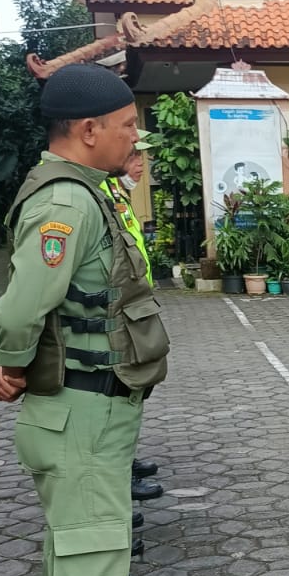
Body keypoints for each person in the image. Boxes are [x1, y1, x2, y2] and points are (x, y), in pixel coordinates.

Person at [0, 62, 171, 576]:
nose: (133, 138)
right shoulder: (66, 202)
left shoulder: (85, 192)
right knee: (89, 562)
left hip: (92, 407)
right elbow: (27, 303)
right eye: (125, 127)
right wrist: (9, 363)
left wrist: (14, 362)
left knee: (85, 554)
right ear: (88, 131)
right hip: (79, 411)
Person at [106, 138, 165, 508]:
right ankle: (118, 474)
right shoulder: (102, 193)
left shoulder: (116, 192)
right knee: (117, 393)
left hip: (133, 306)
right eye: (133, 154)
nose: (140, 163)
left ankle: (124, 463)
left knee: (132, 391)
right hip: (117, 313)